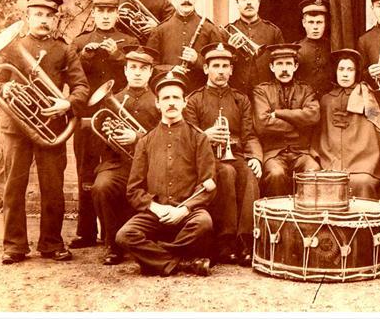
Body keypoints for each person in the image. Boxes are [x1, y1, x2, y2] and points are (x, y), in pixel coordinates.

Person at [0, 0, 90, 264]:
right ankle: (14, 246)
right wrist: (7, 86)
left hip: (51, 125)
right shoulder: (13, 47)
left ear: (54, 19)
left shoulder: (64, 49)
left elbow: (81, 86)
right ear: (27, 16)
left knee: (53, 187)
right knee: (13, 186)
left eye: (48, 15)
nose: (43, 20)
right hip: (16, 125)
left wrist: (66, 104)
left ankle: (51, 243)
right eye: (38, 14)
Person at [115, 71, 216, 277]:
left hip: (188, 215)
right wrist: (156, 208)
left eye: (176, 98)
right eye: (166, 98)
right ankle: (184, 263)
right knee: (125, 236)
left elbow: (208, 185)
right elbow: (133, 190)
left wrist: (184, 210)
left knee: (204, 223)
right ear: (158, 104)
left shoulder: (199, 138)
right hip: (155, 213)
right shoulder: (145, 141)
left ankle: (156, 258)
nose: (171, 103)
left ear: (184, 102)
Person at [70, 0, 138, 250]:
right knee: (86, 174)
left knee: (117, 170)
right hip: (87, 117)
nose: (106, 16)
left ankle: (117, 231)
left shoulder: (129, 40)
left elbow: (137, 69)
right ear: (95, 13)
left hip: (118, 117)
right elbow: (70, 73)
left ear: (117, 13)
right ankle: (85, 232)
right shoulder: (81, 41)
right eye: (101, 11)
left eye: (111, 11)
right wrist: (84, 57)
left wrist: (119, 56)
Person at [185, 42, 262, 267]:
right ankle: (225, 241)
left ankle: (246, 241)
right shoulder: (194, 99)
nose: (220, 71)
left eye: (225, 66)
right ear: (206, 69)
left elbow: (250, 135)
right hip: (206, 158)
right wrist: (206, 135)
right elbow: (188, 136)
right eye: (215, 65)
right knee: (226, 173)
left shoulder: (241, 99)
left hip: (235, 152)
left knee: (249, 174)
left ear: (231, 70)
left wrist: (256, 157)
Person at [91, 44, 161, 265]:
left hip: (151, 168)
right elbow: (99, 144)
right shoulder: (114, 99)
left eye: (143, 68)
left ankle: (147, 240)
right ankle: (112, 245)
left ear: (150, 72)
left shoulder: (160, 102)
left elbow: (167, 140)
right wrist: (109, 134)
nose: (137, 72)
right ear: (125, 71)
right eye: (133, 67)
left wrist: (137, 138)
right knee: (101, 186)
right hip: (118, 165)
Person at [313, 49, 380, 199]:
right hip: (330, 160)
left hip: (363, 162)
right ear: (335, 72)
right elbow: (319, 136)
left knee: (361, 182)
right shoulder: (326, 100)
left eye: (350, 69)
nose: (345, 74)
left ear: (356, 73)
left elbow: (378, 127)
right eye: (341, 69)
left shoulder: (366, 96)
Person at [252, 44, 321, 197]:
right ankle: (278, 219)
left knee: (313, 171)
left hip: (301, 152)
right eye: (279, 64)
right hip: (273, 153)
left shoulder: (306, 90)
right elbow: (262, 124)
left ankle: (308, 218)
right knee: (276, 174)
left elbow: (313, 116)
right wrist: (298, 124)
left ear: (295, 66)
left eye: (288, 64)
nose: (284, 69)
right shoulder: (261, 91)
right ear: (271, 67)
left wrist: (277, 113)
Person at [146, 0, 221, 92]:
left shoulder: (210, 29)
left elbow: (220, 67)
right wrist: (170, 69)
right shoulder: (160, 30)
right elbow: (149, 65)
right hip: (170, 93)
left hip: (202, 96)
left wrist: (198, 60)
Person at [223, 0, 284, 95]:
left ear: (259, 2)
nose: (249, 2)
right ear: (237, 3)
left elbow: (281, 65)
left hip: (267, 96)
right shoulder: (227, 31)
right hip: (236, 95)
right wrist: (230, 52)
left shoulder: (273, 31)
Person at [295, 0, 333, 98]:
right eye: (311, 22)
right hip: (304, 102)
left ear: (325, 23)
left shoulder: (333, 47)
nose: (315, 27)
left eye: (319, 22)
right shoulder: (296, 49)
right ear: (304, 23)